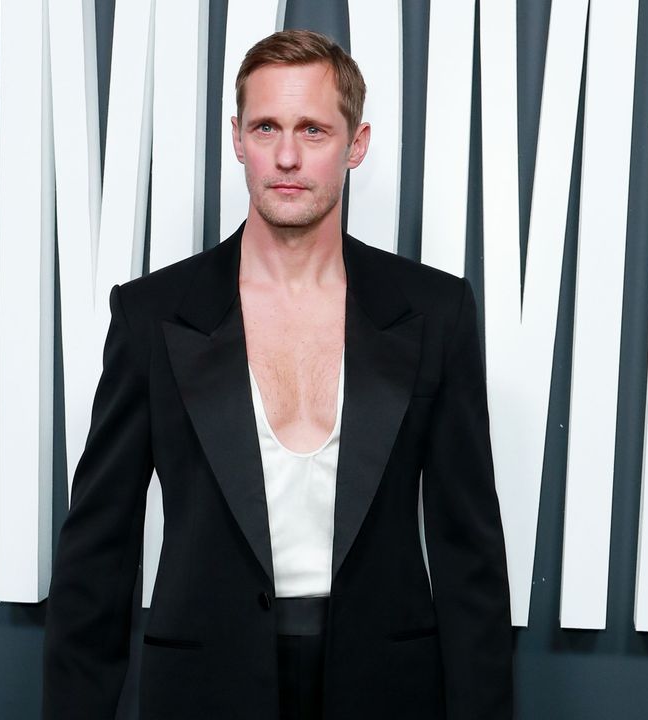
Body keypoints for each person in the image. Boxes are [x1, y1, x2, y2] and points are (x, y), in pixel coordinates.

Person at [43, 29, 513, 720]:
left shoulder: (434, 312)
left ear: (356, 144)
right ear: (238, 138)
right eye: (266, 127)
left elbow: (469, 555)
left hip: (386, 687)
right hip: (204, 688)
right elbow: (98, 554)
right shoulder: (153, 315)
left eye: (313, 130)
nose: (287, 156)